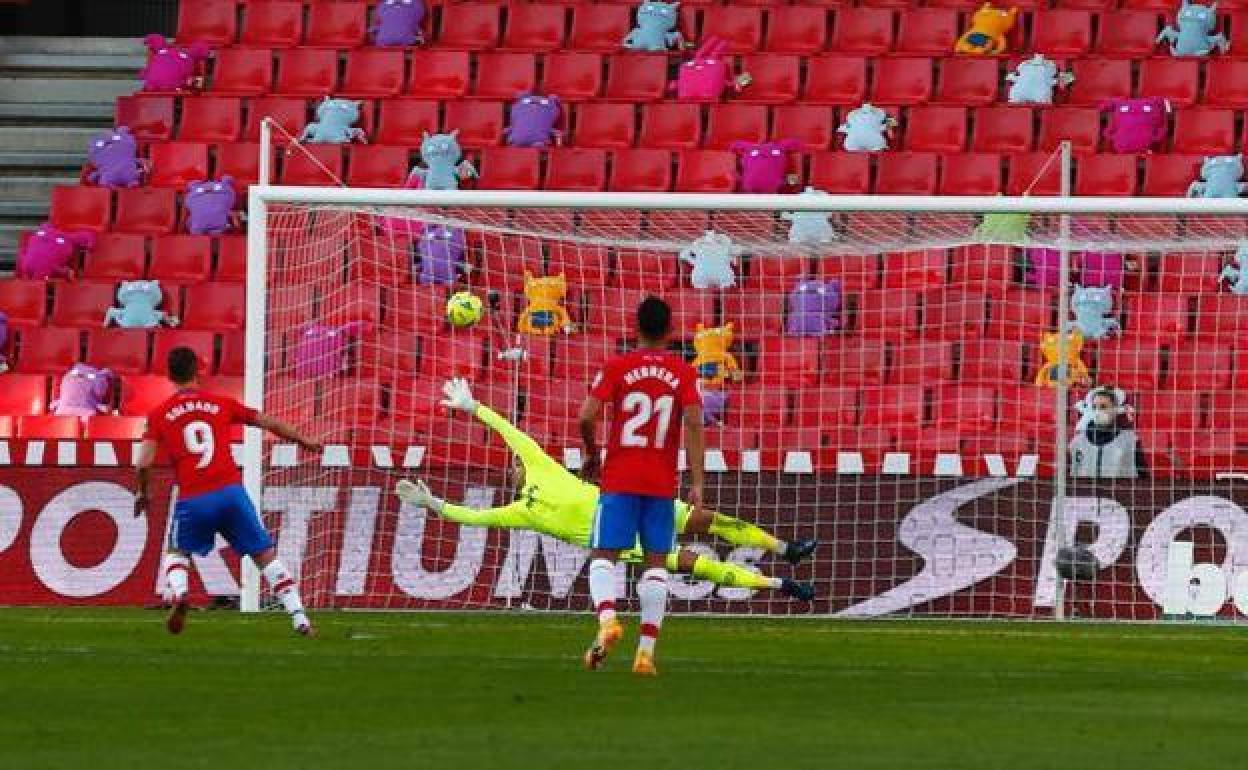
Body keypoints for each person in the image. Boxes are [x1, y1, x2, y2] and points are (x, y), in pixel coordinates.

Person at [394, 378, 816, 599]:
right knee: (697, 565)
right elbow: (474, 517)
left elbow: (511, 432)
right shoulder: (522, 511)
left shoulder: (542, 465)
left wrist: (474, 408)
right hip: (622, 540)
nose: (514, 469)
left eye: (516, 466)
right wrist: (433, 502)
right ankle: (783, 587)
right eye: (513, 469)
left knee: (712, 520)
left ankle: (786, 550)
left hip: (631, 502)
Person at [134, 347, 323, 636]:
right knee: (264, 556)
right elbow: (267, 421)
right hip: (231, 493)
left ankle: (181, 592)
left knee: (177, 551)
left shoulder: (159, 414)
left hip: (194, 497)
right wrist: (303, 440)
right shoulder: (221, 404)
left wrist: (142, 493)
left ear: (169, 375)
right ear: (198, 370)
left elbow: (143, 462)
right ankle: (299, 617)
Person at [577, 297, 703, 676]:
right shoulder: (683, 372)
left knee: (603, 556)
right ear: (670, 331)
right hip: (661, 483)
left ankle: (608, 621)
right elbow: (695, 423)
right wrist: (697, 482)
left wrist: (591, 454)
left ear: (635, 328)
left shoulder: (618, 366)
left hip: (619, 478)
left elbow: (586, 415)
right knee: (656, 565)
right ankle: (645, 654)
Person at [1069, 385, 1148, 479]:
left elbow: (1144, 479)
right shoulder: (1077, 442)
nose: (1097, 411)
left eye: (1103, 407)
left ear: (1115, 410)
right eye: (1094, 407)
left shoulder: (1131, 441)